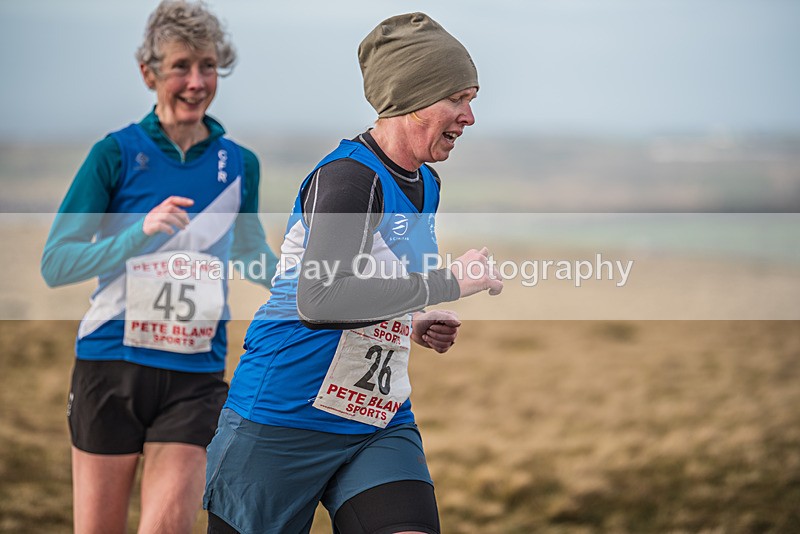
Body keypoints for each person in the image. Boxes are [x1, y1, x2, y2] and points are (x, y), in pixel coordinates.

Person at [203, 12, 502, 534]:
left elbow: (368, 286)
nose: (469, 116)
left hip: (375, 420)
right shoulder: (348, 179)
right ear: (411, 98)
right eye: (458, 98)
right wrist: (453, 282)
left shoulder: (425, 183)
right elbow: (319, 301)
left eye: (471, 99)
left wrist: (411, 322)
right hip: (282, 418)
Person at [40, 1, 278, 532]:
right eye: (180, 67)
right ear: (148, 73)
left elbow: (250, 253)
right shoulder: (115, 154)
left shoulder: (240, 164)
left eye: (208, 66)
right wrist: (138, 234)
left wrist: (317, 285)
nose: (197, 82)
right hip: (111, 362)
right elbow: (56, 264)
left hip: (195, 373)